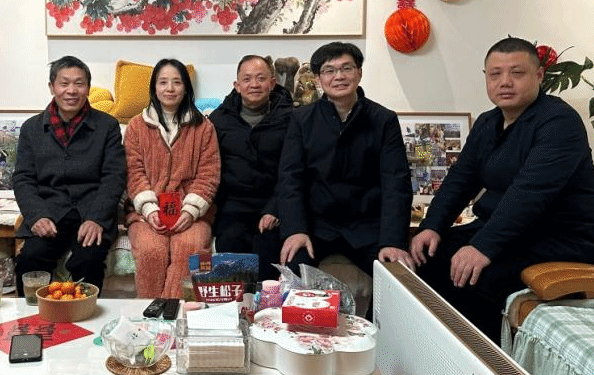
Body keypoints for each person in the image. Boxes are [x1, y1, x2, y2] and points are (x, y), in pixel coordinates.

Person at [410, 36, 594, 342]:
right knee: (427, 257)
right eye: (495, 74)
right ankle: (426, 351)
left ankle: (485, 364)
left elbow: (529, 193)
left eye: (517, 73)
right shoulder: (488, 122)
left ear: (539, 75)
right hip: (507, 233)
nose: (505, 82)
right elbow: (461, 179)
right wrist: (432, 225)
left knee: (477, 276)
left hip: (558, 240)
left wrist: (483, 247)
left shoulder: (559, 122)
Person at [277, 41, 414, 279]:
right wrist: (296, 230)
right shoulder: (302, 119)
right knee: (291, 272)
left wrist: (392, 240)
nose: (339, 76)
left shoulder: (383, 120)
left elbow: (396, 183)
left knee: (399, 278)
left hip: (366, 226)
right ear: (318, 79)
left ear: (359, 73)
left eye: (346, 68)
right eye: (329, 70)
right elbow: (291, 178)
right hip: (316, 226)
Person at [12, 56, 126, 293]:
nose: (71, 91)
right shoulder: (32, 128)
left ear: (88, 88)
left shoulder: (107, 126)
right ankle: (33, 314)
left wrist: (97, 218)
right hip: (50, 210)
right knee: (31, 259)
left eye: (79, 83)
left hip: (91, 210)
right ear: (52, 87)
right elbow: (23, 179)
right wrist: (37, 216)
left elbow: (114, 177)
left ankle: (84, 313)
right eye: (64, 83)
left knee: (88, 260)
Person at [124, 59, 220, 298]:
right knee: (151, 251)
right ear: (154, 88)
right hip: (146, 213)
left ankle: (175, 310)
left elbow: (208, 174)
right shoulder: (136, 126)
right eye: (163, 82)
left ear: (186, 88)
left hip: (192, 213)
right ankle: (149, 310)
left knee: (190, 247)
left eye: (177, 82)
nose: (170, 88)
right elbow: (133, 172)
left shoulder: (204, 127)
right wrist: (149, 209)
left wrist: (190, 211)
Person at [209, 54, 294, 280]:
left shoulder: (291, 119)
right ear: (237, 86)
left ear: (272, 83)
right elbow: (210, 169)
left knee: (268, 253)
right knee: (231, 249)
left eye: (260, 78)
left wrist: (275, 208)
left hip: (274, 203)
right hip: (234, 205)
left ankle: (266, 300)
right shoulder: (219, 119)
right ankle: (237, 300)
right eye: (247, 79)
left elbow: (293, 170)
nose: (254, 84)